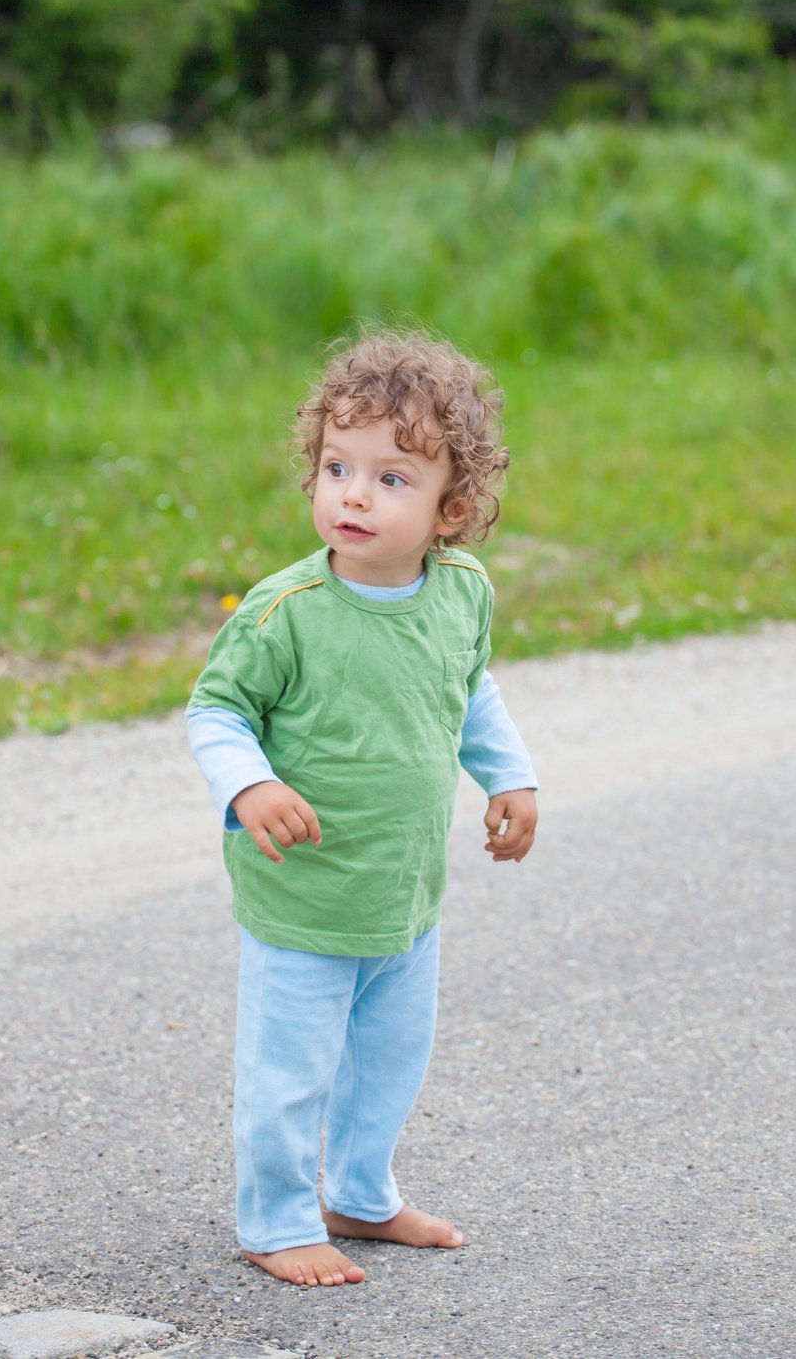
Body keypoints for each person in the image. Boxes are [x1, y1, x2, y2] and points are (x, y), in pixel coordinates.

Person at [186, 329, 538, 1288]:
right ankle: (275, 1218)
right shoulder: (284, 612)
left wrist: (512, 777)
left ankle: (361, 1194)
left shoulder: (461, 593)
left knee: (389, 1062)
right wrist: (249, 783)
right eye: (337, 466)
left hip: (405, 895)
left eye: (391, 478)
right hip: (306, 897)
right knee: (290, 1072)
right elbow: (216, 709)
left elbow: (470, 691)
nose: (352, 492)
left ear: (449, 508)